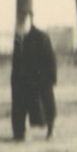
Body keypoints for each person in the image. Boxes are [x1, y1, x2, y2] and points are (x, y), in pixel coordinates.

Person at [10, 10, 58, 141]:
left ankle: (51, 129)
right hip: (23, 80)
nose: (20, 24)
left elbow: (50, 59)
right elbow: (16, 61)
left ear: (30, 20)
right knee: (20, 106)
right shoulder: (18, 38)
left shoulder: (41, 36)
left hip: (41, 79)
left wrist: (51, 78)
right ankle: (20, 133)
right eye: (18, 21)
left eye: (23, 20)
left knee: (47, 105)